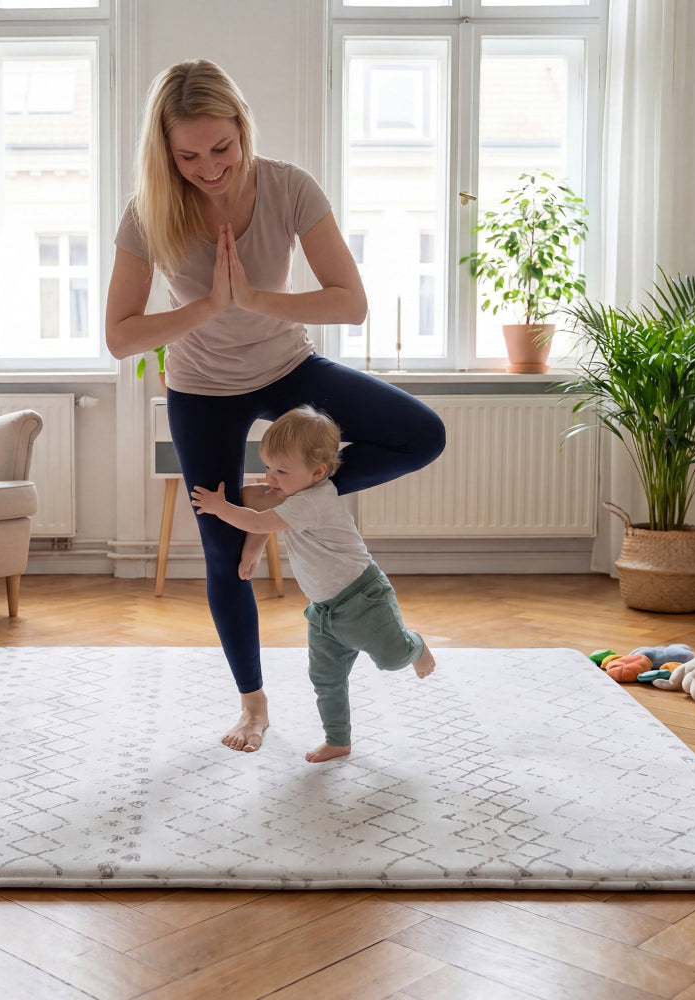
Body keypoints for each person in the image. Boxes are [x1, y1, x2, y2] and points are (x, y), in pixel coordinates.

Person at [105, 58, 445, 754]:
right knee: (226, 551)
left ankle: (279, 511)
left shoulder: (288, 187)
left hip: (289, 367)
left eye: (222, 148)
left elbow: (349, 302)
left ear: (242, 129)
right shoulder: (149, 210)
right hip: (201, 389)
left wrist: (254, 300)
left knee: (422, 434)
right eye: (188, 154)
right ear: (165, 151)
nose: (209, 167)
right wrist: (208, 307)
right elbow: (120, 336)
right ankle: (253, 706)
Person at [192, 405, 435, 762]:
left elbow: (258, 521)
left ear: (317, 471)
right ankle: (338, 740)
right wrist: (251, 545)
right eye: (268, 467)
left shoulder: (314, 500)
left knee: (392, 658)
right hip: (324, 612)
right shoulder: (295, 491)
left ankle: (415, 645)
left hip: (362, 598)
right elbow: (258, 499)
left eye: (281, 471)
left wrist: (219, 506)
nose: (271, 478)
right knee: (326, 679)